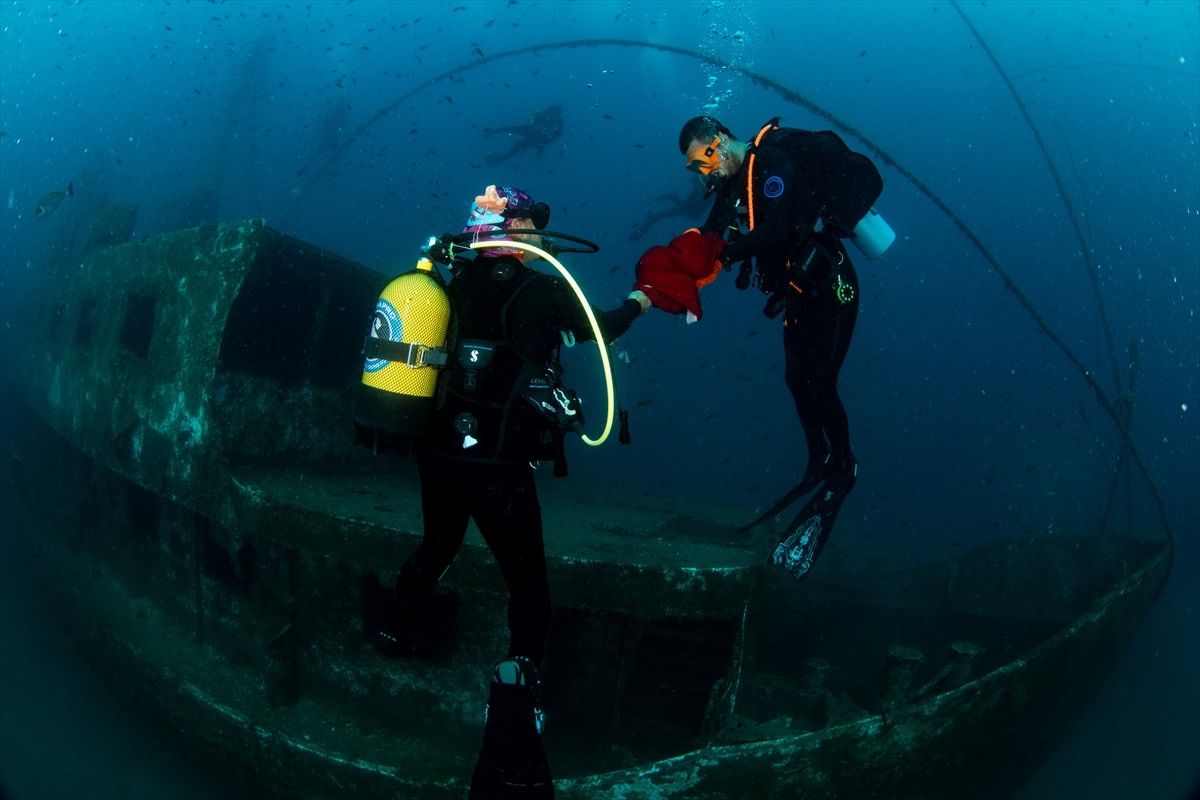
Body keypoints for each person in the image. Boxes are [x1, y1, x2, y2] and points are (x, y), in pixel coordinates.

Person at [367, 184, 650, 795]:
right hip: (498, 469)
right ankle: (519, 690)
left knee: (437, 546)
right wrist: (641, 299)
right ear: (515, 230)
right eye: (533, 223)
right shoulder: (544, 289)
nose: (542, 233)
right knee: (527, 582)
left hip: (438, 457)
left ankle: (392, 629)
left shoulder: (448, 284)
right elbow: (602, 329)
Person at [670, 114, 883, 581]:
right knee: (795, 378)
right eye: (694, 168)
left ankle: (843, 467)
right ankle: (817, 458)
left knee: (820, 381)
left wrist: (724, 255)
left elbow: (778, 230)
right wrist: (677, 264)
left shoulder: (771, 164)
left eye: (701, 161)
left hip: (832, 289)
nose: (702, 173)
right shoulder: (733, 186)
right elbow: (710, 234)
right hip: (799, 294)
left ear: (719, 141)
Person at [482, 103, 565, 164]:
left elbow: (551, 138)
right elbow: (532, 117)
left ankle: (501, 157)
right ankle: (495, 131)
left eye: (555, 111)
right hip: (531, 131)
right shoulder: (543, 114)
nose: (552, 113)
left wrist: (543, 138)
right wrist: (534, 124)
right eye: (552, 110)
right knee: (513, 130)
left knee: (517, 144)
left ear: (558, 113)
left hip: (537, 138)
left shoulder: (558, 125)